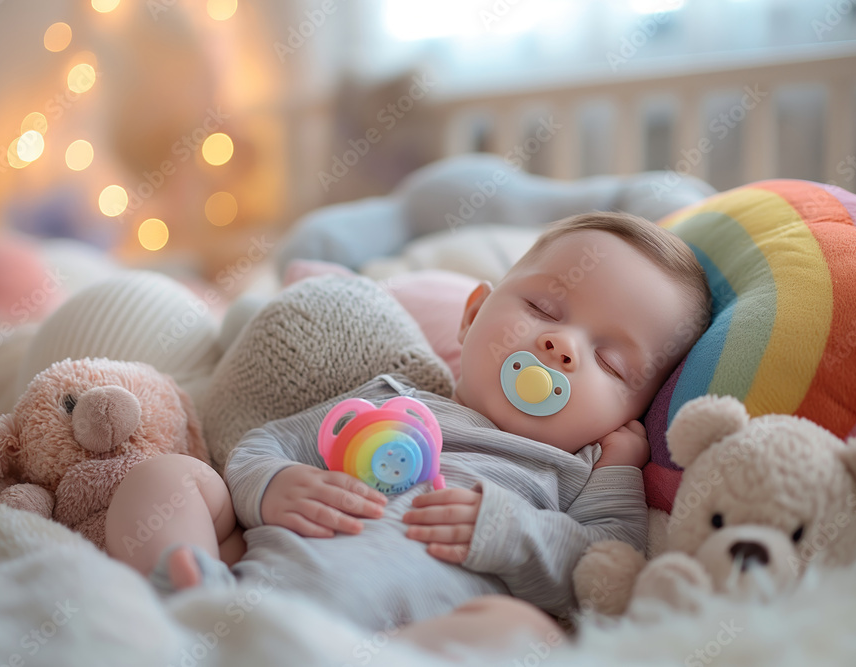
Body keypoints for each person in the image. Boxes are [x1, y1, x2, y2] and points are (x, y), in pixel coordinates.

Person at [105, 211, 711, 658]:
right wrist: (273, 485)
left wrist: (511, 531)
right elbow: (260, 446)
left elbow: (608, 574)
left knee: (527, 635)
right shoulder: (391, 399)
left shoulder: (582, 474)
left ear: (636, 407)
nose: (562, 346)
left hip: (386, 640)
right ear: (474, 316)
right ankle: (184, 587)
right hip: (252, 591)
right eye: (545, 310)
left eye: (611, 362)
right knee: (169, 478)